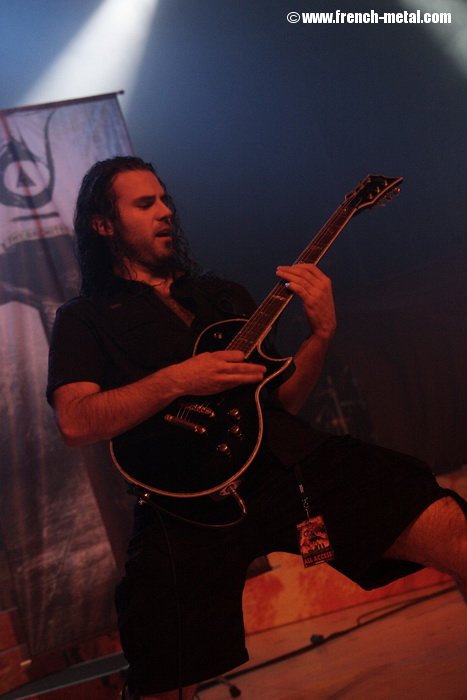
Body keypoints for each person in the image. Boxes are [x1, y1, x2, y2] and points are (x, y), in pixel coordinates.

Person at [47, 156, 467, 700]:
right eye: (145, 204)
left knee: (449, 526)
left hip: (284, 463)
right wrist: (178, 380)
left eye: (165, 199)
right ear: (104, 224)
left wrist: (320, 335)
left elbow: (282, 400)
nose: (165, 211)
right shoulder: (85, 319)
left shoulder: (222, 297)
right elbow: (75, 420)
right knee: (160, 665)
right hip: (183, 501)